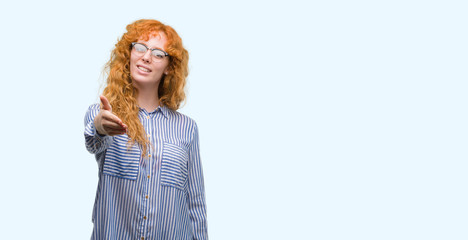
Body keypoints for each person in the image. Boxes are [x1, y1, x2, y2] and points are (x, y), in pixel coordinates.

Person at [84, 19, 208, 239]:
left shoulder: (187, 128)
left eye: (158, 53)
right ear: (129, 54)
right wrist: (100, 127)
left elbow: (195, 204)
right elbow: (93, 141)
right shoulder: (105, 114)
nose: (146, 56)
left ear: (170, 67)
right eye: (140, 47)